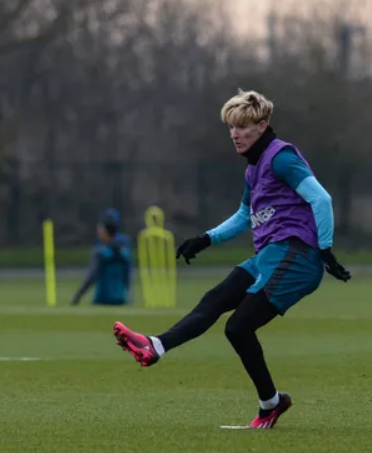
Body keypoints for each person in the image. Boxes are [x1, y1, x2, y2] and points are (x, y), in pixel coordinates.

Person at [112, 89, 350, 429]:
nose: (234, 134)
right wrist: (205, 239)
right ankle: (156, 346)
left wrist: (325, 249)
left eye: (242, 127)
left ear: (262, 125)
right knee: (215, 299)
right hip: (270, 255)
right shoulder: (254, 170)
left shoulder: (281, 158)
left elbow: (321, 199)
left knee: (238, 326)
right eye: (231, 127)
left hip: (295, 257)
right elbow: (243, 216)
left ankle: (269, 405)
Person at [71, 208, 132, 306]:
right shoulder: (123, 246)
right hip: (121, 298)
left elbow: (92, 275)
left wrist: (78, 296)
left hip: (103, 299)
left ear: (104, 230)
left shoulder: (100, 250)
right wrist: (129, 296)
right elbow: (127, 274)